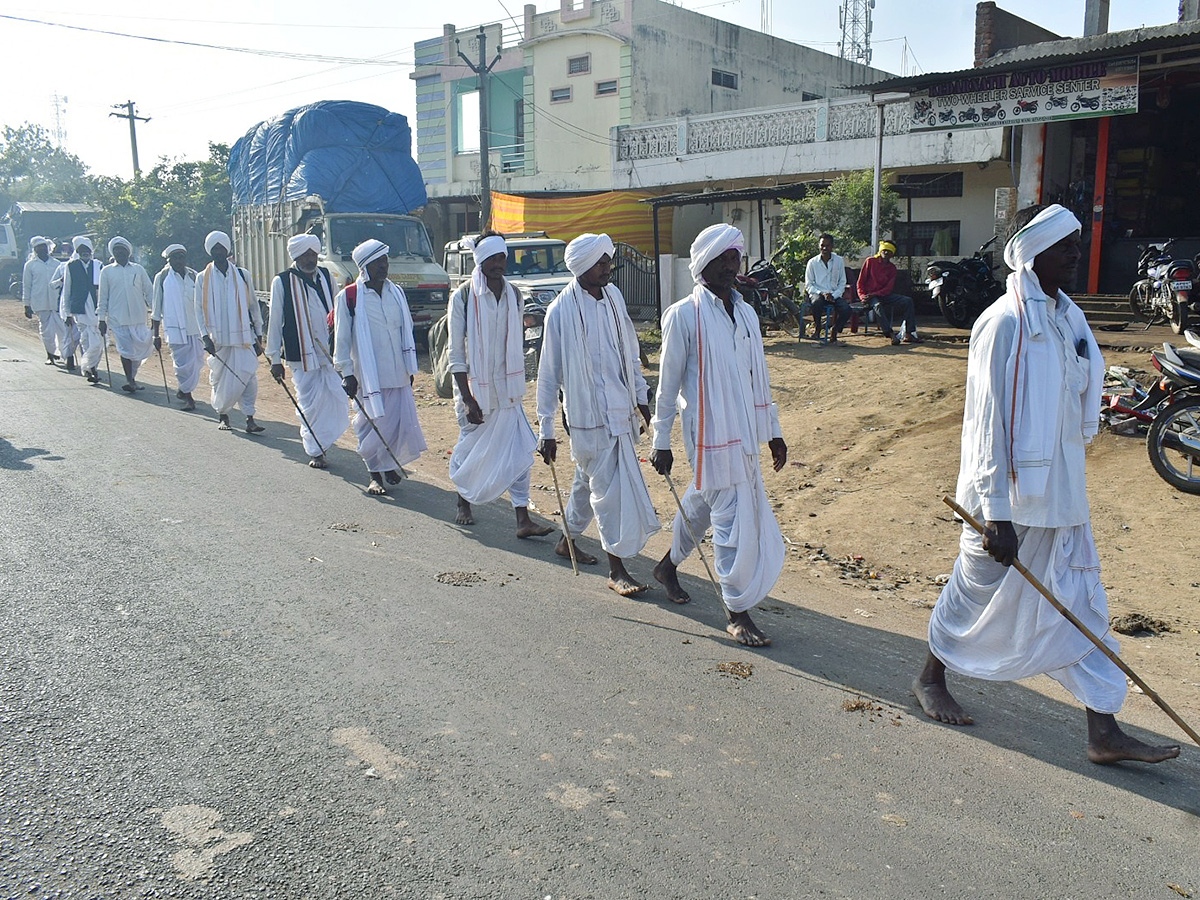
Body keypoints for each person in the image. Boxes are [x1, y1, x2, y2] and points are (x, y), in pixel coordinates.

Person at [913, 203, 1180, 766]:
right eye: (1066, 247)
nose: (1077, 254)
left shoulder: (1067, 316)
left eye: (1078, 244)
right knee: (973, 591)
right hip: (1004, 500)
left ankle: (1103, 729)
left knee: (1082, 602)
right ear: (1035, 253)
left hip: (1061, 493)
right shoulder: (1004, 322)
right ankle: (930, 676)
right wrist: (997, 516)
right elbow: (987, 425)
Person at [651, 224, 788, 646]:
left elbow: (758, 376)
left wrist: (774, 433)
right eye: (724, 259)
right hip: (707, 435)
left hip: (745, 430)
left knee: (703, 502)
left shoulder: (746, 312)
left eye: (736, 258)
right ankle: (736, 610)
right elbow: (668, 384)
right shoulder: (683, 315)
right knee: (729, 517)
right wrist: (661, 440)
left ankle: (667, 567)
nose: (733, 266)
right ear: (703, 264)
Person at [536, 232, 660, 595]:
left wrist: (641, 397)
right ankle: (616, 569)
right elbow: (547, 373)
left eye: (608, 261)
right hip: (586, 417)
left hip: (620, 410)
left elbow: (630, 350)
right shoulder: (560, 310)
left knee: (587, 482)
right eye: (601, 263)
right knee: (608, 491)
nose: (608, 268)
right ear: (582, 267)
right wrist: (546, 430)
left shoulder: (614, 298)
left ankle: (566, 539)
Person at [446, 231, 552, 538]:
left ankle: (522, 518)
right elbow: (456, 351)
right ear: (480, 260)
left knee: (520, 450)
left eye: (502, 257)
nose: (498, 264)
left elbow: (515, 343)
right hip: (474, 390)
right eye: (492, 258)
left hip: (508, 391)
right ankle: (464, 501)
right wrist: (467, 398)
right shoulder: (463, 296)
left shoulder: (515, 295)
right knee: (471, 450)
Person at [333, 239, 427, 496]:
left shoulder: (396, 292)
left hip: (397, 372)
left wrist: (409, 367)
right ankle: (374, 474)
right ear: (365, 267)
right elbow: (341, 339)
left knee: (397, 425)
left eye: (385, 260)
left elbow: (404, 332)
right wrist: (347, 373)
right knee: (369, 425)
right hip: (368, 375)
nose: (384, 266)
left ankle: (386, 465)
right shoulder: (349, 297)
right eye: (378, 262)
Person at [266, 234, 349, 469]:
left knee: (337, 397)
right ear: (297, 256)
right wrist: (274, 358)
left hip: (329, 351)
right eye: (306, 255)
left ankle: (324, 440)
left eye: (313, 254)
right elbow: (275, 321)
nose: (311, 259)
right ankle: (315, 450)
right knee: (309, 403)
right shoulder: (281, 281)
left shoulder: (325, 276)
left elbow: (337, 311)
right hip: (300, 353)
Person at [195, 230, 264, 433]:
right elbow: (198, 309)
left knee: (249, 376)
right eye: (214, 248)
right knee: (219, 377)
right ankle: (223, 415)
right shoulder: (202, 278)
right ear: (210, 251)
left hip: (243, 337)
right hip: (218, 339)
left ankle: (250, 418)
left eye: (221, 248)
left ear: (227, 249)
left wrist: (259, 334)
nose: (218, 251)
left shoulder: (243, 275)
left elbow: (253, 306)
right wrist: (204, 337)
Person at [98, 236, 154, 393]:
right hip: (118, 319)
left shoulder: (138, 270)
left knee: (138, 351)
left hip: (138, 317)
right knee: (125, 350)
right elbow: (102, 298)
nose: (119, 253)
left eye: (122, 250)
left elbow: (149, 292)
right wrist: (101, 319)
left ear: (128, 252)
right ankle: (130, 379)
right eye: (116, 250)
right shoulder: (106, 272)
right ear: (113, 253)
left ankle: (132, 377)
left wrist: (156, 313)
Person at [152, 244, 203, 411]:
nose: (179, 261)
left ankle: (183, 390)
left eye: (181, 257)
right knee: (182, 366)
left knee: (196, 362)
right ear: (169, 260)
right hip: (175, 329)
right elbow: (156, 307)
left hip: (195, 327)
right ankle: (188, 397)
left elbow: (202, 303)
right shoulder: (162, 277)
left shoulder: (194, 276)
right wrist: (155, 334)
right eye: (175, 257)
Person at [856, 239, 922, 345]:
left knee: (907, 301)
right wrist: (862, 296)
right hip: (870, 296)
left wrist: (876, 294)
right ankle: (890, 334)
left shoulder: (892, 268)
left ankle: (909, 333)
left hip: (883, 295)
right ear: (881, 250)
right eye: (884, 250)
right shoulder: (870, 261)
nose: (886, 253)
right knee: (877, 305)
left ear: (892, 254)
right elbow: (860, 282)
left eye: (889, 251)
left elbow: (888, 289)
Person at [57, 236, 103, 382]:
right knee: (85, 339)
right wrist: (67, 313)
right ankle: (91, 369)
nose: (85, 253)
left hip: (97, 309)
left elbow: (103, 289)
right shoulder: (71, 266)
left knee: (98, 340)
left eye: (87, 250)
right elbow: (67, 290)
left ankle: (88, 365)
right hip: (80, 308)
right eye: (81, 250)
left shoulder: (98, 265)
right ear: (77, 251)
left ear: (91, 251)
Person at [22, 236, 66, 365]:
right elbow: (27, 285)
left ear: (48, 248)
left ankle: (65, 354)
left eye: (44, 246)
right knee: (46, 331)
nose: (42, 249)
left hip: (57, 302)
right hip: (40, 302)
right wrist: (26, 305)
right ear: (35, 249)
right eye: (39, 247)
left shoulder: (57, 264)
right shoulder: (30, 265)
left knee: (62, 330)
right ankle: (50, 355)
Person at [803, 234, 850, 345]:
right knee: (816, 303)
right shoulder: (812, 262)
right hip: (818, 293)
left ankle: (835, 330)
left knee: (847, 309)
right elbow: (809, 284)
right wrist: (822, 293)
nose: (824, 248)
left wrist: (835, 295)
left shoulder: (838, 261)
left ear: (832, 246)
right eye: (822, 245)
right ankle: (818, 328)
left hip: (834, 294)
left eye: (827, 246)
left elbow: (842, 282)